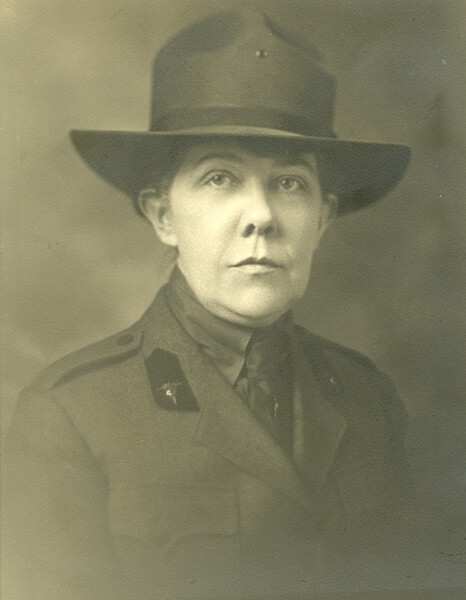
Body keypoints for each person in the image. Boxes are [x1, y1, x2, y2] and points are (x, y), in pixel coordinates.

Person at [5, 9, 422, 600]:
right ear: (162, 215)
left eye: (290, 183)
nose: (261, 216)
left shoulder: (367, 401)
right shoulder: (71, 414)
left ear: (324, 217)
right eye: (220, 178)